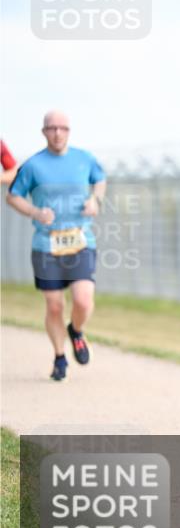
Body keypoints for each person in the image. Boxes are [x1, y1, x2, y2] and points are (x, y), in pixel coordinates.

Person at [6, 111, 106, 381]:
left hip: (80, 240)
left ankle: (76, 330)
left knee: (83, 300)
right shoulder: (33, 165)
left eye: (63, 128)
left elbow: (100, 179)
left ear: (69, 131)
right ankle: (60, 357)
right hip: (46, 244)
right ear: (44, 132)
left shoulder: (83, 159)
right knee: (54, 306)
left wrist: (95, 200)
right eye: (52, 128)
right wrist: (35, 213)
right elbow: (13, 197)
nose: (58, 133)